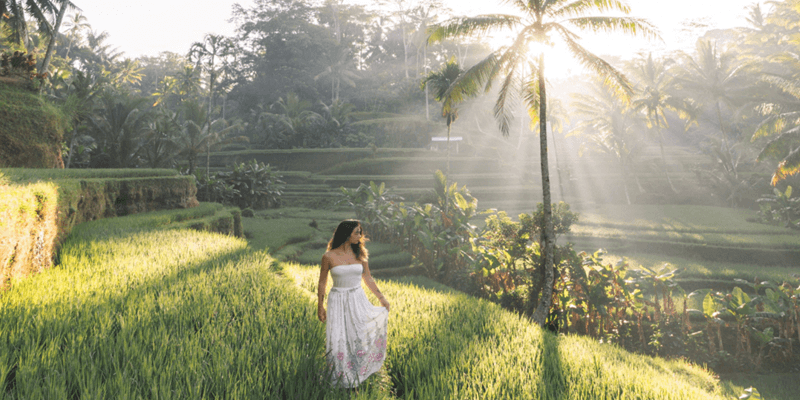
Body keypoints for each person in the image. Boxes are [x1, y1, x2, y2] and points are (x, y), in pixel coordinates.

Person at [317, 220, 390, 388]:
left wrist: (382, 298)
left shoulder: (361, 255)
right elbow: (322, 283)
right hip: (337, 300)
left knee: (357, 333)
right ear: (346, 233)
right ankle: (338, 376)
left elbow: (368, 278)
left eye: (360, 232)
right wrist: (320, 306)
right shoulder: (328, 256)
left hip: (358, 299)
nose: (360, 236)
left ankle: (357, 371)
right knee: (338, 336)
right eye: (357, 232)